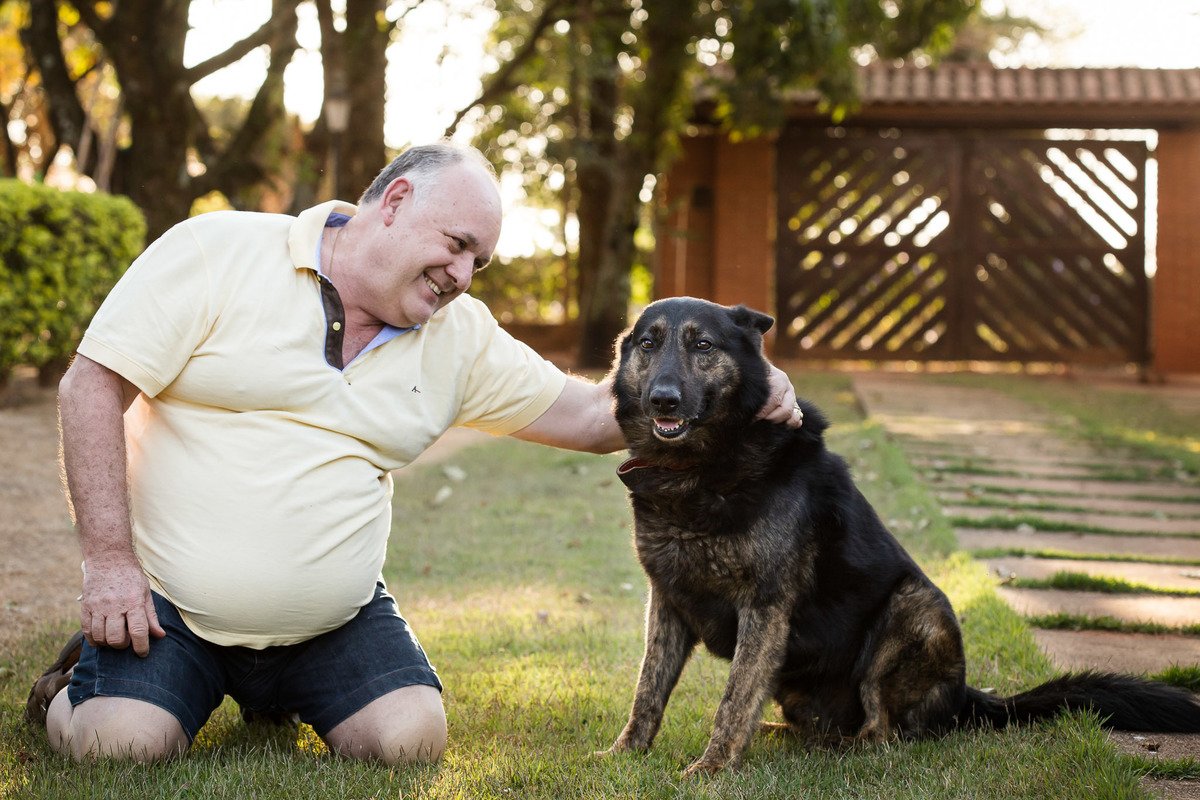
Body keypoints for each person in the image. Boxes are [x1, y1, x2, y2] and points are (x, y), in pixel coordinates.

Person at [26, 142, 802, 764]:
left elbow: (599, 416)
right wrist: (110, 564)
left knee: (409, 742)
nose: (464, 276)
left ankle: (274, 692)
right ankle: (68, 691)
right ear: (395, 202)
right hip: (168, 607)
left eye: (480, 263)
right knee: (120, 748)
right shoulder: (216, 251)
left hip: (330, 620)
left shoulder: (458, 338)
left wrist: (742, 377)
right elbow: (90, 388)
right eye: (457, 245)